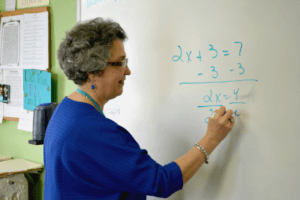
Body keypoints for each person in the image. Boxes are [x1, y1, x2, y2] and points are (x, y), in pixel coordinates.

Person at [44, 18, 235, 200]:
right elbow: (162, 182)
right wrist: (211, 138)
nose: (127, 71)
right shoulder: (92, 131)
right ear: (92, 72)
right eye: (119, 63)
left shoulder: (66, 109)